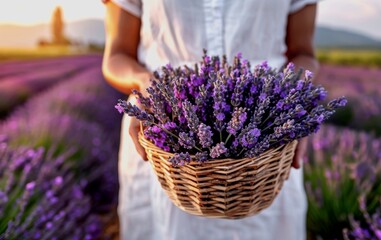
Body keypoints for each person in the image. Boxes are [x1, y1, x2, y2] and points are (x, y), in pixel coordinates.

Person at [102, 1, 320, 239]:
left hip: (267, 137)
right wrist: (145, 85)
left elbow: (303, 54)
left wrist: (292, 101)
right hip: (166, 120)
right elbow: (117, 56)